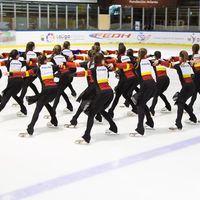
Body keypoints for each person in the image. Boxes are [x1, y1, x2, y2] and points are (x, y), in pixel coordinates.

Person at [8, 55, 60, 137]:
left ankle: (30, 128)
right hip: (55, 89)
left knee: (38, 108)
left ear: (38, 62)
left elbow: (25, 73)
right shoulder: (52, 67)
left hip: (46, 90)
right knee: (45, 103)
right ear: (46, 61)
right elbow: (62, 67)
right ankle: (54, 120)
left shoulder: (37, 69)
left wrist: (11, 73)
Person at [73, 53, 118, 144]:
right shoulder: (106, 68)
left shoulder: (92, 70)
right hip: (110, 93)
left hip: (101, 94)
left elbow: (82, 74)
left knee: (91, 114)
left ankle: (86, 137)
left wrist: (71, 74)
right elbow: (114, 67)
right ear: (102, 61)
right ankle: (113, 127)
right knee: (101, 110)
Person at [165, 50, 197, 130]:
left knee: (180, 103)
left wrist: (168, 60)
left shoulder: (178, 65)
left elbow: (168, 64)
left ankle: (178, 124)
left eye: (179, 57)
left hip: (186, 87)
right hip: (192, 86)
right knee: (182, 102)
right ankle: (193, 118)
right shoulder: (190, 63)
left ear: (181, 57)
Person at [130, 48, 156, 136]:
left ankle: (140, 129)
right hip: (152, 84)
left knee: (140, 105)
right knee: (142, 103)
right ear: (145, 54)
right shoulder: (148, 61)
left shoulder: (137, 63)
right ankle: (149, 122)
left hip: (146, 85)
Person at [0, 49, 27, 116]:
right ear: (17, 56)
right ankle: (23, 109)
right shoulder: (21, 62)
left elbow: (0, 63)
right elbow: (30, 62)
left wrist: (3, 56)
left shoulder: (7, 62)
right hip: (19, 82)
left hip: (12, 82)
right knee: (14, 95)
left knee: (5, 100)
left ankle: (24, 109)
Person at [149, 51, 171, 116]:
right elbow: (168, 61)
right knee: (159, 93)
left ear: (155, 56)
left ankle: (152, 109)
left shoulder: (153, 61)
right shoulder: (163, 61)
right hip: (167, 79)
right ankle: (168, 106)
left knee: (156, 94)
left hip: (160, 80)